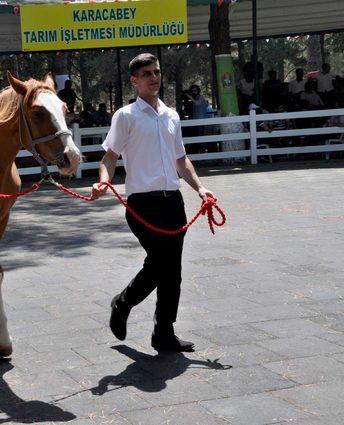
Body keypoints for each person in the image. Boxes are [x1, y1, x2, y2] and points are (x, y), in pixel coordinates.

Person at [91, 53, 215, 352]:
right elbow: (110, 155)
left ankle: (164, 333)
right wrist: (104, 181)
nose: (154, 76)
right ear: (134, 81)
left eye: (157, 71)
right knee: (161, 265)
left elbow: (181, 160)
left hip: (173, 202)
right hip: (142, 205)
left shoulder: (171, 116)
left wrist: (200, 188)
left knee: (172, 271)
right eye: (147, 73)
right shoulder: (126, 116)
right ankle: (122, 303)